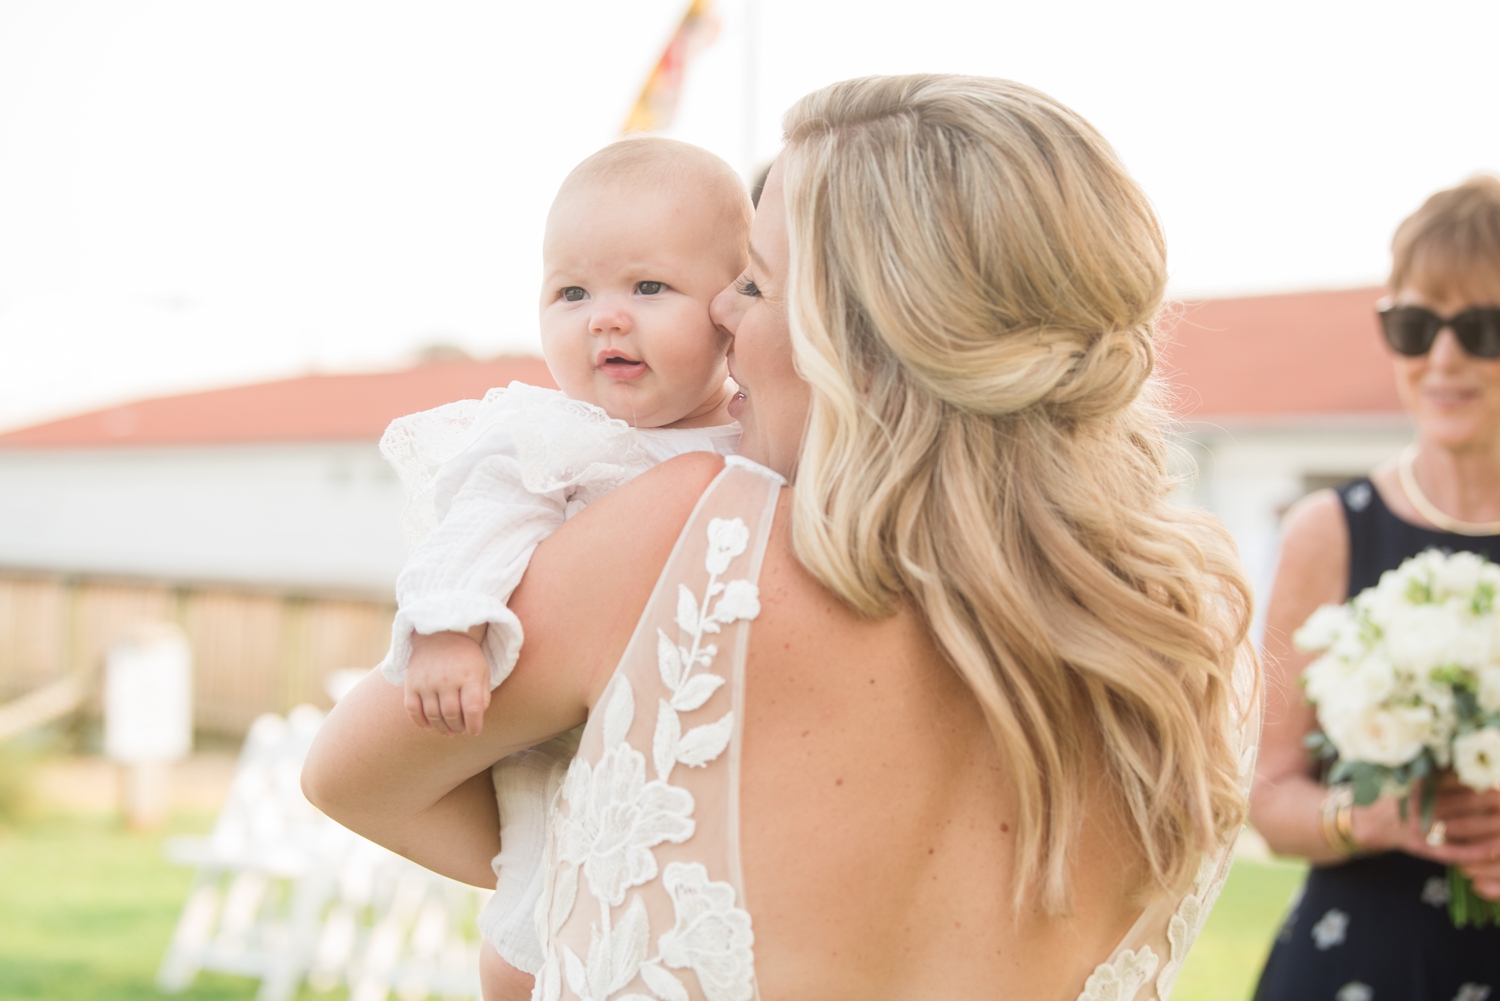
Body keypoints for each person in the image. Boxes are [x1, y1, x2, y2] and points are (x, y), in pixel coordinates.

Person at [304, 74, 1259, 1001]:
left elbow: (354, 778)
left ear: (862, 339)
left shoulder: (686, 542)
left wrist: (598, 867)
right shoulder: (1190, 633)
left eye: (753, 284)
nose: (719, 314)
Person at [375, 136, 751, 988]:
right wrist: (446, 630)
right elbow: (474, 530)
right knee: (530, 934)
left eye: (648, 287)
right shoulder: (558, 440)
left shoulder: (757, 437)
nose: (605, 317)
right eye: (571, 291)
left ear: (732, 306)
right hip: (554, 760)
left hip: (684, 781)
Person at [1250, 176, 1500, 1001]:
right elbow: (1269, 793)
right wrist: (1374, 816)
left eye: (1482, 327)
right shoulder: (1330, 531)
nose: (1443, 359)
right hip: (1358, 967)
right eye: (1414, 326)